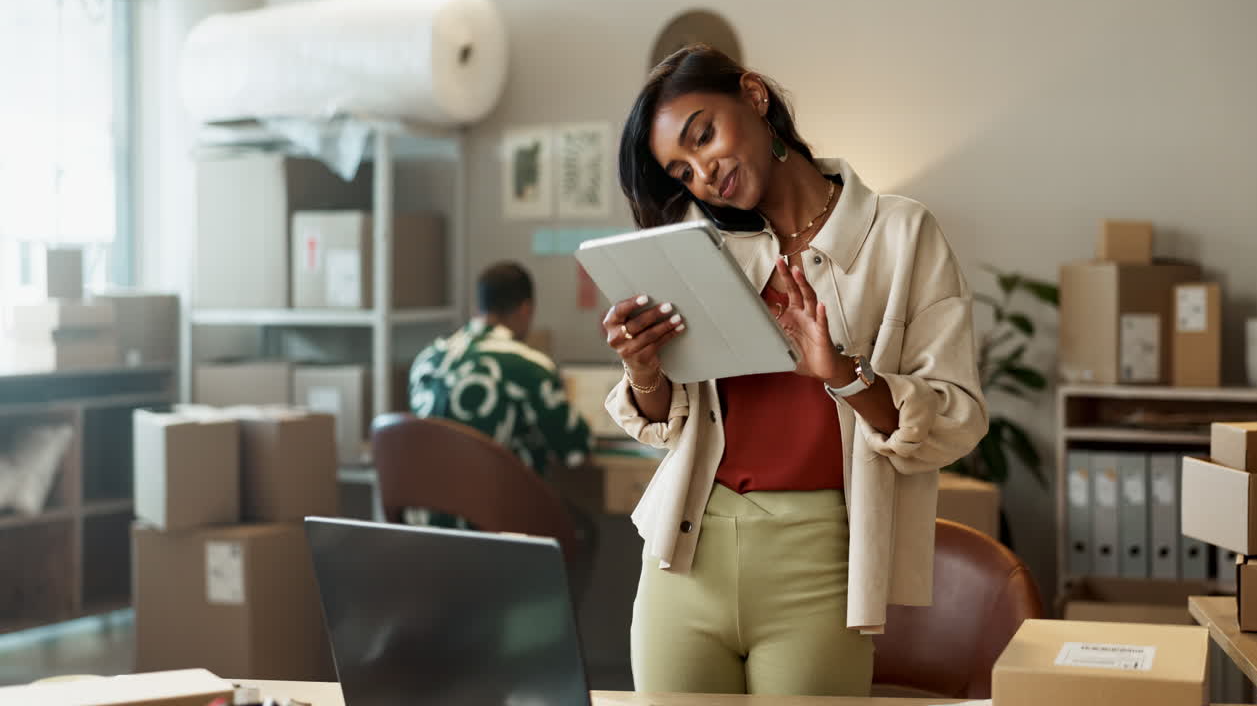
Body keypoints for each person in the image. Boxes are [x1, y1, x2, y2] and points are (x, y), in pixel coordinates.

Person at [603, 44, 988, 697]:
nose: (703, 172)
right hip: (685, 556)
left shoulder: (900, 234)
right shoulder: (704, 250)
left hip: (820, 562)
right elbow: (672, 424)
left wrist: (844, 374)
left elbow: (957, 419)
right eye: (681, 170)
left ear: (754, 97)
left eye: (705, 135)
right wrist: (644, 372)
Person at [408, 261, 592, 527]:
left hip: (429, 524)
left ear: (478, 307)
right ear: (526, 309)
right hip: (498, 524)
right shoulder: (528, 366)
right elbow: (575, 450)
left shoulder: (426, 361)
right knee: (584, 530)